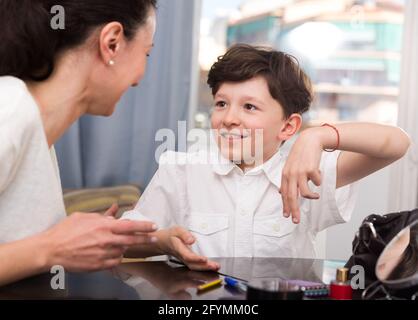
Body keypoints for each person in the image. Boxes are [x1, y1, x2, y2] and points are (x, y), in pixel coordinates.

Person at [122, 44, 411, 271]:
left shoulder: (308, 173)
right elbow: (125, 244)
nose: (229, 119)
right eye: (221, 103)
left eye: (249, 107)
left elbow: (397, 143)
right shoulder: (181, 170)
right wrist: (162, 243)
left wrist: (317, 136)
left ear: (288, 127)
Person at [0, 0, 188, 286]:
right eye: (146, 54)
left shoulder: (37, 133)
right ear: (111, 43)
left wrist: (152, 242)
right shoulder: (9, 108)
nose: (139, 78)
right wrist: (52, 247)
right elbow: (45, 248)